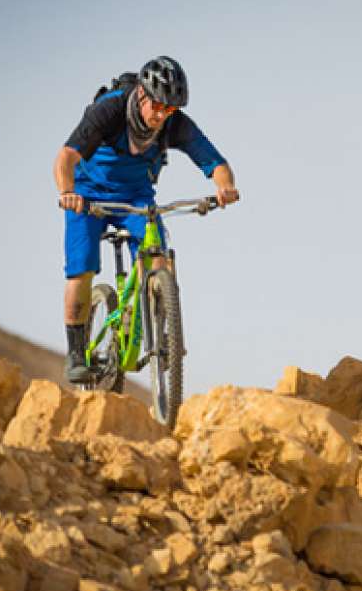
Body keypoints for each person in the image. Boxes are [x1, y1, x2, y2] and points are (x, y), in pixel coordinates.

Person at [53, 56, 239, 385]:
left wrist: (224, 187)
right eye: (157, 105)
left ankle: (162, 327)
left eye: (169, 109)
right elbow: (66, 157)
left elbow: (215, 162)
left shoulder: (175, 123)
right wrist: (68, 192)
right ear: (141, 94)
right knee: (81, 268)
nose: (161, 115)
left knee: (159, 255)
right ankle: (76, 352)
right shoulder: (109, 111)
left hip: (137, 197)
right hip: (87, 195)